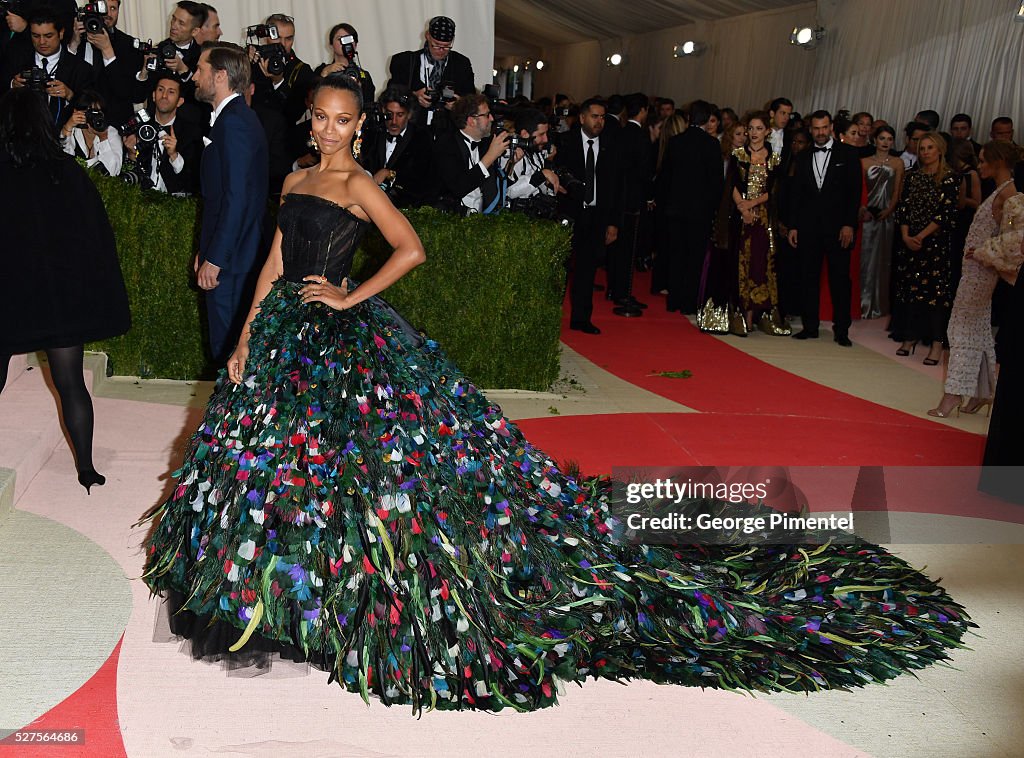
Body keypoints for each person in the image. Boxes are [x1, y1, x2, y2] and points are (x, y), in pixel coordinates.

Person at [138, 71, 971, 714]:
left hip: (338, 335)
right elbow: (272, 266)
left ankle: (334, 592)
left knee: (357, 473)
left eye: (341, 119)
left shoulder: (360, 185)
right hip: (281, 336)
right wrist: (243, 338)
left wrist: (351, 300)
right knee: (279, 468)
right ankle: (280, 591)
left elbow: (411, 250)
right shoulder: (294, 181)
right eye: (319, 117)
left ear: (360, 126)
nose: (327, 129)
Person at [0, 87, 130, 492]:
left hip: (9, 296)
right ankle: (86, 469)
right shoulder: (66, 171)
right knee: (71, 382)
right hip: (58, 301)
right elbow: (95, 234)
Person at [929, 140, 1023, 418]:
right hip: (976, 271)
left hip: (980, 273)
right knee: (978, 329)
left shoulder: (1010, 195)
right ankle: (983, 392)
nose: (979, 166)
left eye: (983, 161)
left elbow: (1016, 239)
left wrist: (985, 252)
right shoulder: (1002, 191)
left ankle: (953, 394)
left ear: (998, 162)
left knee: (960, 329)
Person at [192, 42, 268, 362]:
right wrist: (207, 249)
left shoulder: (235, 122)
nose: (194, 77)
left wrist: (216, 257)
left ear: (220, 75)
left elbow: (237, 199)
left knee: (231, 354)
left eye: (200, 69)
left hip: (234, 262)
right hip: (232, 257)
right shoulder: (232, 119)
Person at [786, 110, 862, 347]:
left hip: (839, 228)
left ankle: (842, 330)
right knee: (808, 278)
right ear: (811, 130)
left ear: (831, 128)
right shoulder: (803, 156)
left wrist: (849, 224)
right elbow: (796, 195)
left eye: (824, 127)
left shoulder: (849, 154)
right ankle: (810, 327)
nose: (820, 132)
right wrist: (793, 226)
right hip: (808, 228)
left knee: (840, 280)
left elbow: (854, 193)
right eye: (816, 128)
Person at [554, 97, 622, 333]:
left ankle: (581, 319)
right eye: (595, 116)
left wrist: (613, 223)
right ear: (582, 118)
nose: (599, 121)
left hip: (596, 216)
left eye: (602, 117)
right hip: (568, 214)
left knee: (587, 269)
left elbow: (616, 187)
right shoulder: (565, 142)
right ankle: (551, 317)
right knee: (559, 268)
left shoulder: (611, 146)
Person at [891, 132, 958, 365]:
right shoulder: (912, 177)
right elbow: (903, 209)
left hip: (935, 245)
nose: (926, 152)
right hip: (910, 243)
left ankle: (937, 344)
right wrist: (906, 236)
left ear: (940, 150)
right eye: (922, 148)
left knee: (936, 296)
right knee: (910, 291)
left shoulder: (949, 178)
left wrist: (920, 236)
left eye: (930, 147)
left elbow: (945, 214)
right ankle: (909, 337)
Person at [660, 99, 724, 315]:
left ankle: (673, 300)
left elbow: (666, 177)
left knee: (676, 255)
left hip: (675, 209)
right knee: (694, 258)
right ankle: (688, 302)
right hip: (700, 212)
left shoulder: (676, 142)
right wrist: (714, 209)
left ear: (688, 118)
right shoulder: (712, 144)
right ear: (707, 120)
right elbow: (716, 183)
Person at [732, 111, 789, 336]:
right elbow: (732, 184)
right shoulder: (738, 154)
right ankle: (740, 313)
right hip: (740, 216)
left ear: (767, 131)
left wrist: (753, 204)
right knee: (740, 262)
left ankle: (758, 314)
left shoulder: (774, 157)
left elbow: (773, 190)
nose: (754, 133)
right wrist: (742, 207)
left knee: (760, 263)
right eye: (751, 128)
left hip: (764, 218)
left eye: (759, 128)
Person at [697, 120, 744, 334]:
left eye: (745, 134)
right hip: (722, 214)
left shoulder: (748, 159)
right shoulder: (723, 158)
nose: (742, 137)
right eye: (738, 134)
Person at [387, 16, 474, 131]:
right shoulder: (404, 62)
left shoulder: (462, 65)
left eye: (446, 46)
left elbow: (472, 101)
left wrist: (459, 104)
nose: (441, 50)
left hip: (448, 132)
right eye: (436, 45)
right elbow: (389, 96)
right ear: (427, 36)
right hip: (411, 132)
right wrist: (414, 96)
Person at [859, 125, 903, 319]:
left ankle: (879, 304)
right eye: (882, 138)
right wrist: (863, 210)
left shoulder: (898, 162)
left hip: (887, 218)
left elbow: (897, 191)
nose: (885, 142)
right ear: (874, 140)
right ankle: (862, 302)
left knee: (883, 260)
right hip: (866, 217)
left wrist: (889, 210)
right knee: (864, 259)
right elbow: (859, 191)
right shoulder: (863, 162)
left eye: (889, 139)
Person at [59, 88, 122, 176]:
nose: (94, 118)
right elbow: (63, 163)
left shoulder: (111, 132)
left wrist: (103, 138)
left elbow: (114, 172)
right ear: (76, 112)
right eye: (90, 113)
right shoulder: (72, 131)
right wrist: (68, 127)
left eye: (98, 113)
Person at [315, 23, 374, 109]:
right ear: (331, 45)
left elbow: (368, 104)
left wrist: (359, 88)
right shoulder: (322, 70)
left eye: (348, 39)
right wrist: (324, 74)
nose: (345, 43)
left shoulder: (363, 75)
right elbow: (312, 98)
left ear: (355, 44)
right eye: (340, 39)